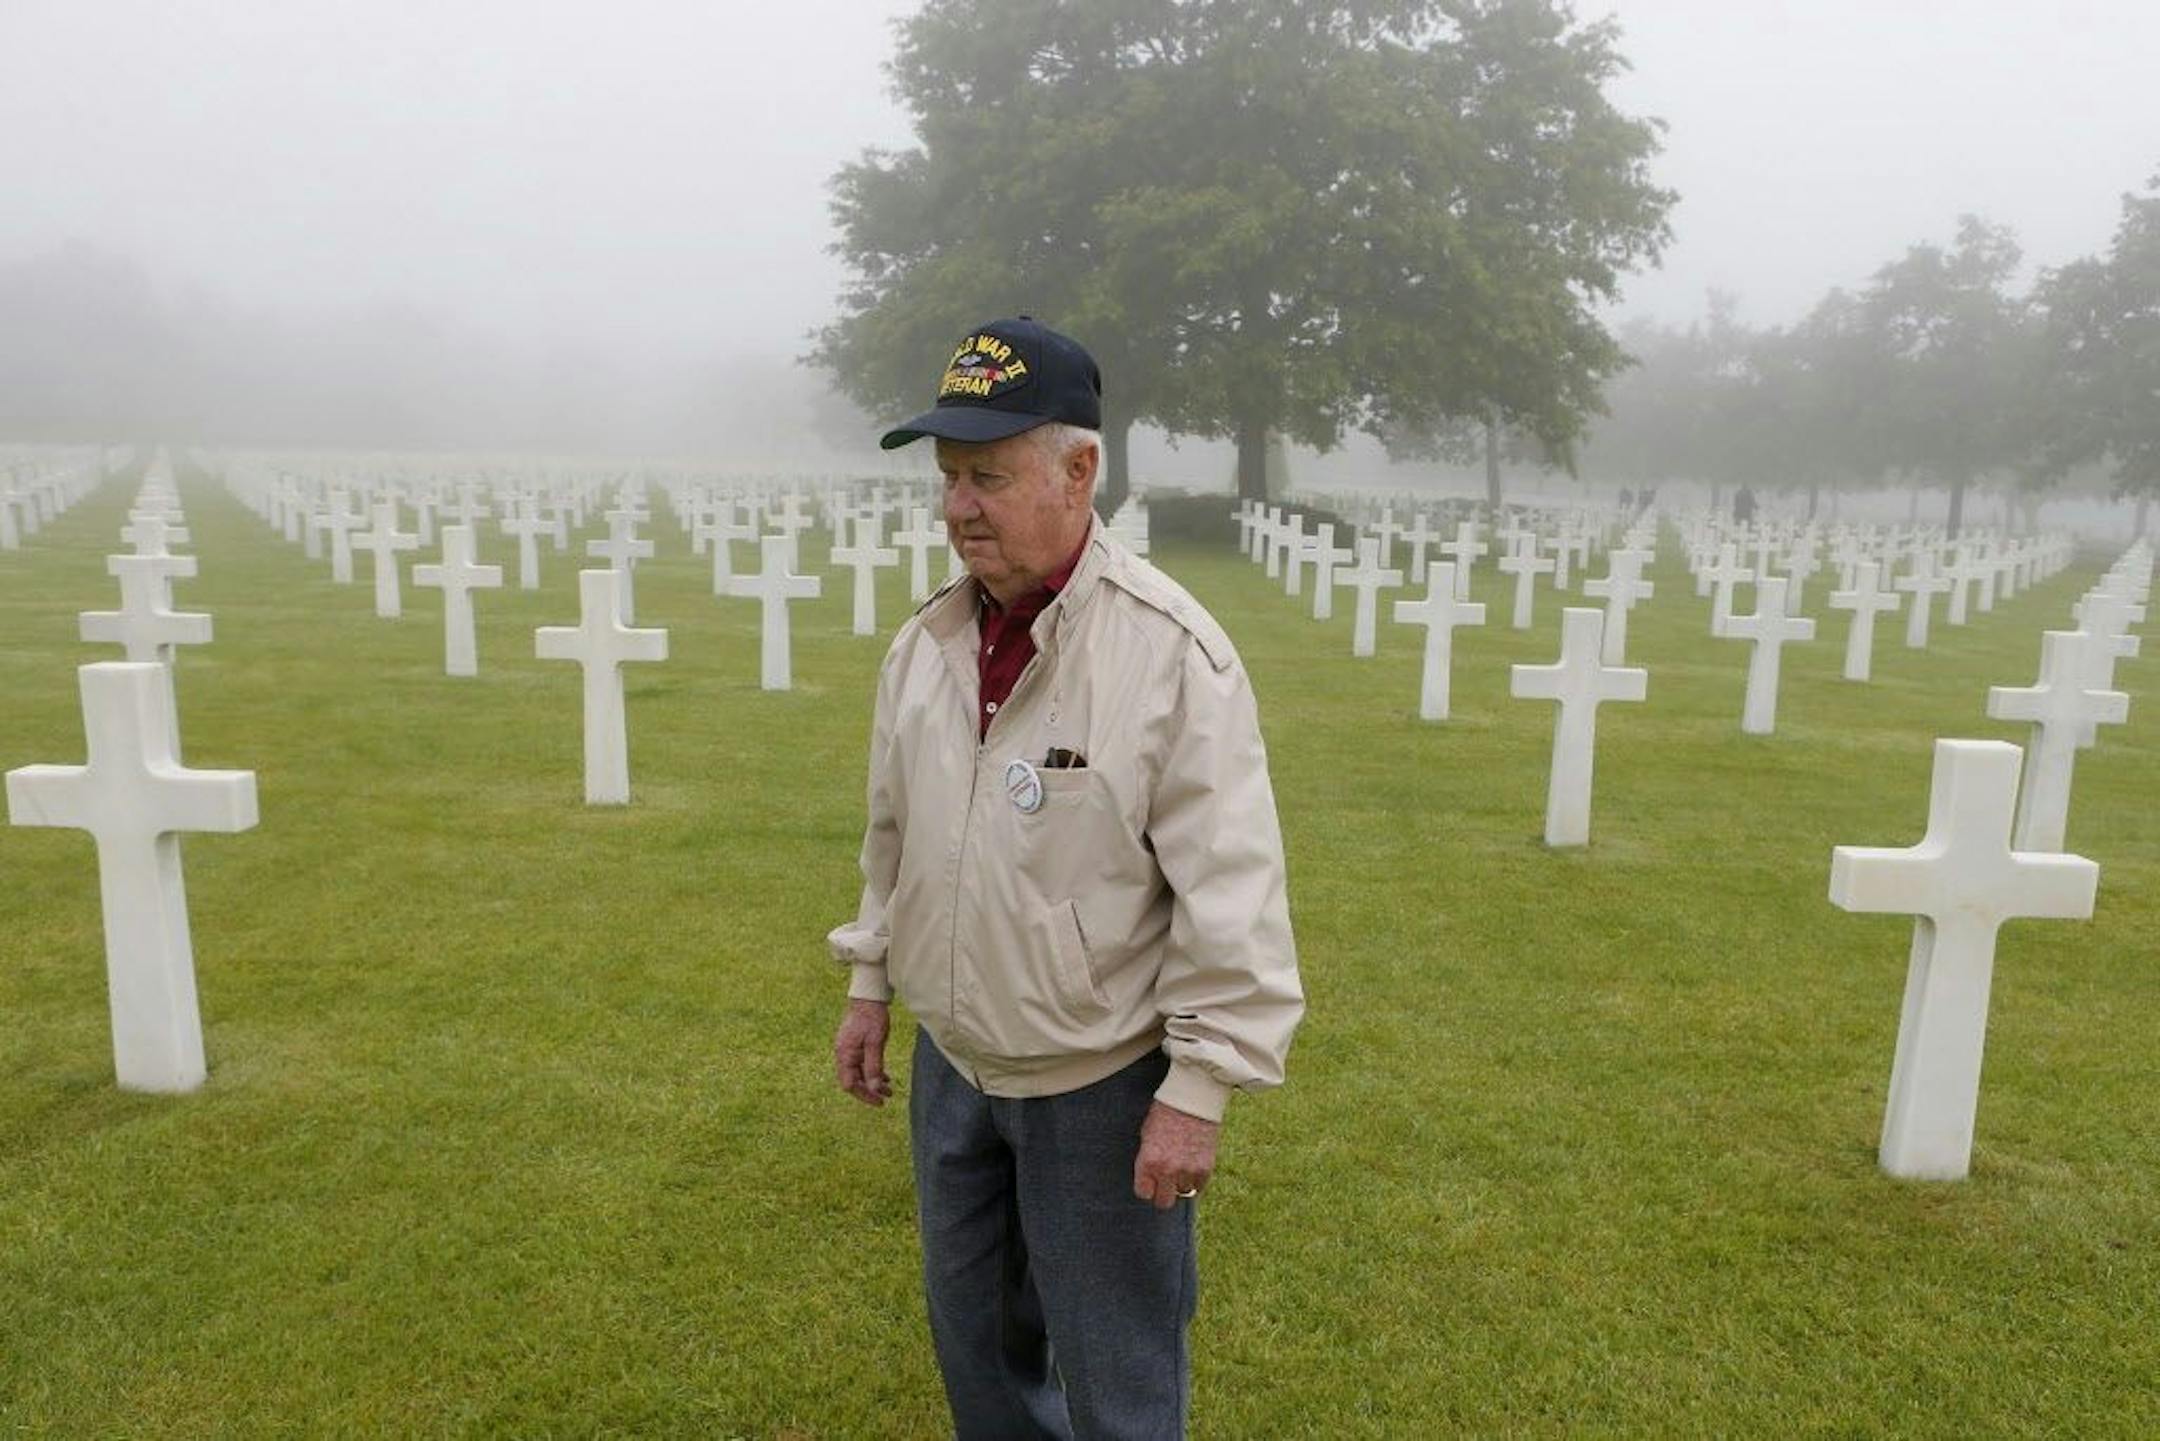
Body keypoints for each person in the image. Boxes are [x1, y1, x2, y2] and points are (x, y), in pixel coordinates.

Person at [826, 316, 1304, 1439]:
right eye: (948, 478)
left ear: (1080, 469)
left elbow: (1231, 890)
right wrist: (870, 977)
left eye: (987, 476)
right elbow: (894, 828)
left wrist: (1196, 1092)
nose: (958, 507)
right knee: (982, 1364)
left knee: (1120, 1380)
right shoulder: (928, 644)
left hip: (1099, 1083)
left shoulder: (1170, 655)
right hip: (956, 1068)